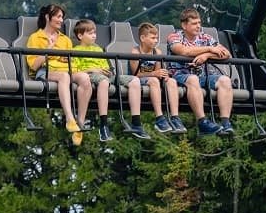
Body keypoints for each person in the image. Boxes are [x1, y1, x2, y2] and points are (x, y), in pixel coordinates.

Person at [72, 19, 151, 141]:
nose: (94, 36)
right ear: (80, 35)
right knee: (104, 82)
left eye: (95, 33)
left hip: (106, 75)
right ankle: (103, 125)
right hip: (91, 75)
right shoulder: (75, 51)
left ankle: (136, 122)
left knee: (134, 80)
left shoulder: (98, 49)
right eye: (90, 33)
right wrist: (92, 69)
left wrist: (107, 70)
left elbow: (105, 66)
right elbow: (75, 71)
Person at [26, 4, 92, 146]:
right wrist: (48, 49)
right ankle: (69, 119)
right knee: (64, 77)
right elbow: (34, 65)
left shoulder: (65, 40)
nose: (61, 20)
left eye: (62, 17)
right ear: (47, 17)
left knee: (85, 79)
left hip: (65, 69)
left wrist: (65, 59)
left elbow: (71, 61)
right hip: (45, 71)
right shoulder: (35, 38)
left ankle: (79, 123)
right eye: (58, 17)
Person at [166, 8, 234, 136]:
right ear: (184, 25)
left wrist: (207, 55)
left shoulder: (205, 37)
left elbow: (226, 53)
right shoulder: (174, 36)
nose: (198, 26)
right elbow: (183, 51)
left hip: (202, 76)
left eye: (199, 23)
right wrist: (209, 48)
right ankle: (202, 122)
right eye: (194, 23)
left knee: (225, 80)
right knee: (192, 79)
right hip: (178, 76)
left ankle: (225, 123)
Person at [130, 22, 187, 135]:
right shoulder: (135, 52)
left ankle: (175, 117)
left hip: (153, 77)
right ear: (143, 38)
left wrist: (163, 75)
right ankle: (159, 117)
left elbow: (158, 71)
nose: (156, 40)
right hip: (139, 80)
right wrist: (155, 74)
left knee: (171, 81)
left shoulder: (157, 52)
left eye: (157, 38)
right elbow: (136, 74)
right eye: (153, 38)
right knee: (154, 80)